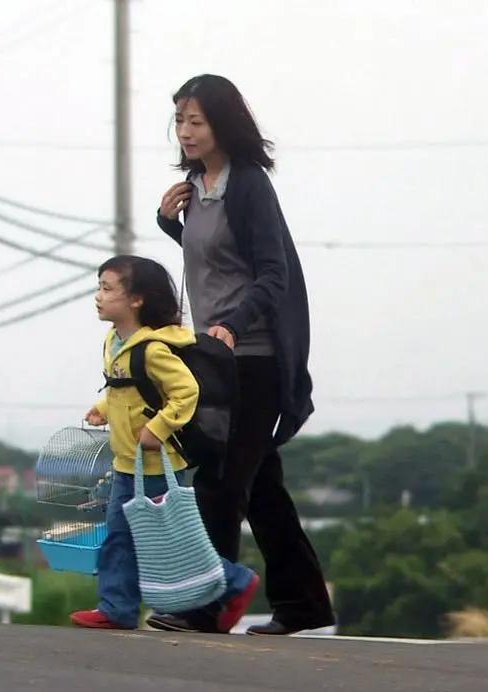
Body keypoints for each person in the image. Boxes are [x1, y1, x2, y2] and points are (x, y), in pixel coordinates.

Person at [146, 75, 336, 636]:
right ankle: (304, 606)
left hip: (253, 356)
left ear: (223, 124)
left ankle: (207, 606)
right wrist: (169, 226)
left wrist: (232, 325)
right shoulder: (195, 186)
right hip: (214, 359)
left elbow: (271, 274)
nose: (185, 132)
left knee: (223, 481)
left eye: (196, 122)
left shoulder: (248, 185)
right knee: (261, 489)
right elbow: (220, 265)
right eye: (179, 120)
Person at [69, 255, 260, 632]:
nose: (98, 297)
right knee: (121, 539)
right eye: (99, 288)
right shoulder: (114, 342)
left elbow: (185, 393)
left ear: (137, 299)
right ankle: (118, 608)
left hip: (157, 464)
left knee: (171, 542)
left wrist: (158, 428)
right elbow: (125, 389)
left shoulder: (153, 349)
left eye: (107, 289)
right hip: (127, 462)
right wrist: (103, 407)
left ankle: (236, 583)